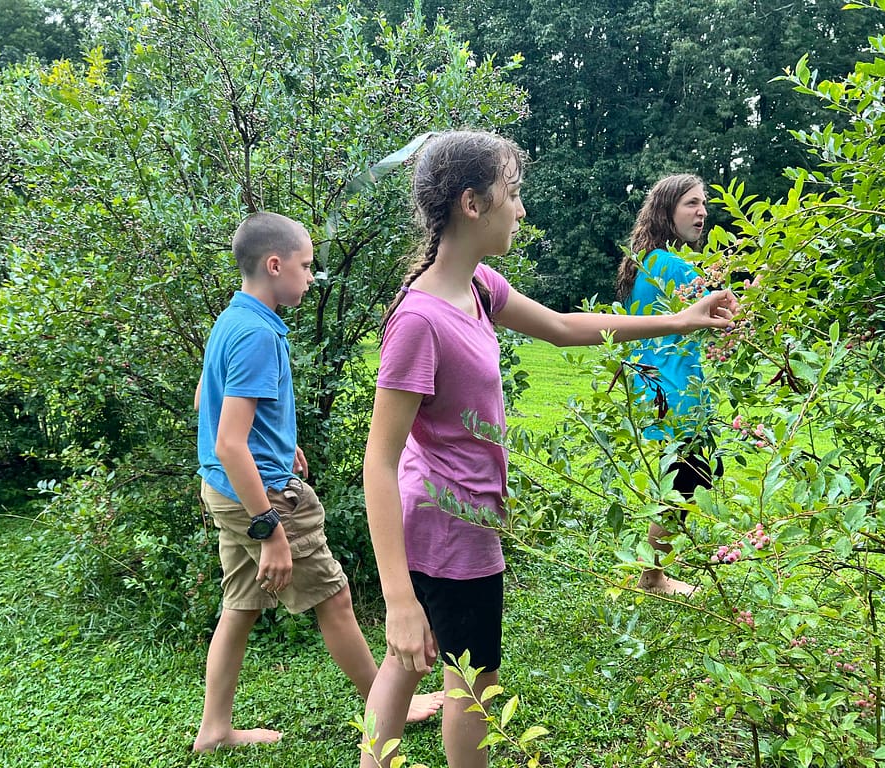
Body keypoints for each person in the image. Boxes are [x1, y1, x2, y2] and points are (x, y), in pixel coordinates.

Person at [358, 132, 739, 768]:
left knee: (412, 660)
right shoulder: (420, 319)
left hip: (450, 517)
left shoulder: (477, 285)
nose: (523, 210)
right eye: (515, 194)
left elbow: (564, 329)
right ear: (472, 203)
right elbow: (380, 457)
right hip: (450, 527)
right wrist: (396, 599)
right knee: (470, 682)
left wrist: (682, 319)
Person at [193, 211, 442, 753]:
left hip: (226, 488)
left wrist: (279, 442)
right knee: (335, 598)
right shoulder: (258, 334)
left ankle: (214, 731)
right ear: (274, 264)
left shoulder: (232, 320)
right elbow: (231, 443)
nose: (311, 278)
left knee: (241, 605)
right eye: (306, 267)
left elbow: (207, 406)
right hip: (260, 496)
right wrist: (271, 529)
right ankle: (389, 701)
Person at [614, 173, 724, 597]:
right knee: (691, 475)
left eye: (703, 204)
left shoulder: (646, 261)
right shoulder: (674, 266)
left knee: (691, 472)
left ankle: (652, 570)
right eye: (691, 204)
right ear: (667, 211)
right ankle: (653, 576)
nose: (702, 212)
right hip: (675, 388)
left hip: (654, 386)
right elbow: (726, 310)